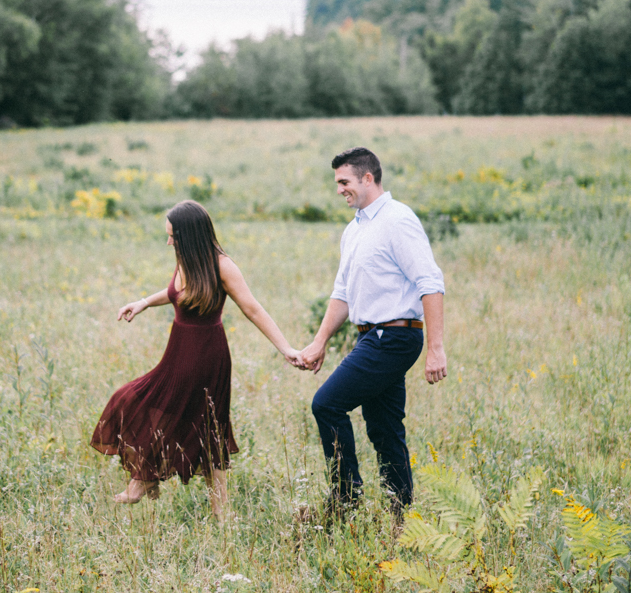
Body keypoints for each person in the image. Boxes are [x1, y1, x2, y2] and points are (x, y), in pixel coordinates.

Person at [91, 199, 302, 516]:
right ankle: (217, 511)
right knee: (197, 424)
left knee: (190, 420)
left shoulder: (222, 266)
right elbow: (177, 293)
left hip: (205, 355)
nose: (169, 241)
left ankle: (146, 480)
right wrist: (144, 302)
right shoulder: (187, 260)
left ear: (190, 235)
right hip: (178, 350)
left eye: (173, 236)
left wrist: (286, 348)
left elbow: (253, 309)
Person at [301, 146, 447, 518]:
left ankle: (345, 499)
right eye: (337, 183)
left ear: (368, 178)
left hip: (396, 336)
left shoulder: (398, 220)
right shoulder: (354, 231)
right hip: (372, 336)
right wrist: (319, 343)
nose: (339, 190)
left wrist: (436, 349)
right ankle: (402, 513)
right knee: (384, 427)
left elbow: (430, 282)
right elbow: (342, 294)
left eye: (344, 182)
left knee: (327, 404)